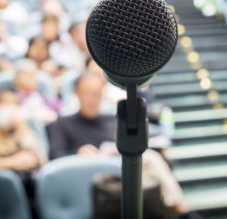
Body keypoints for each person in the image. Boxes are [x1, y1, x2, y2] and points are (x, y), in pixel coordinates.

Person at [48, 72, 198, 218]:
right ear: (77, 94)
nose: (92, 99)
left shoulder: (110, 119)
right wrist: (78, 152)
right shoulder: (63, 124)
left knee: (151, 164)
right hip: (90, 177)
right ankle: (184, 212)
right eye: (87, 93)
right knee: (151, 161)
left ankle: (178, 210)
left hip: (122, 167)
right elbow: (55, 154)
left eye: (96, 94)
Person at [0, 90, 46, 171]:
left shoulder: (20, 138)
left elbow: (42, 161)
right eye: (6, 103)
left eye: (15, 104)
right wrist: (11, 162)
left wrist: (23, 128)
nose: (11, 109)